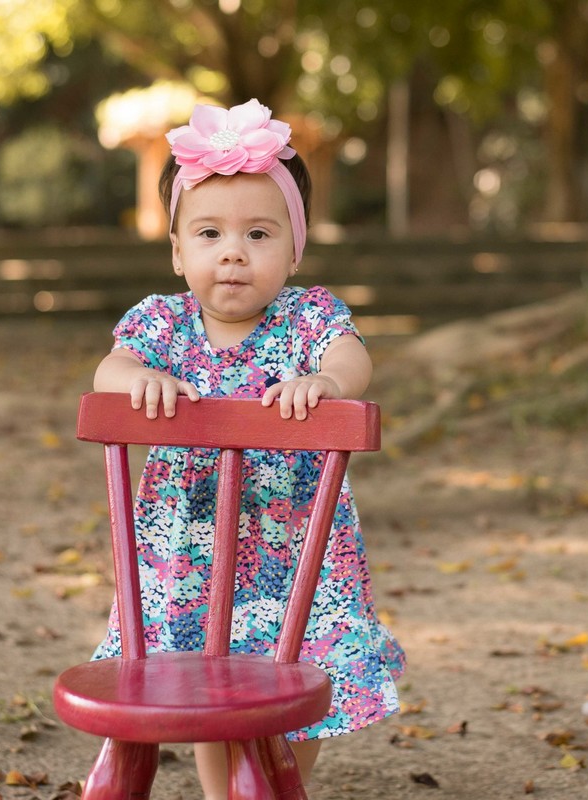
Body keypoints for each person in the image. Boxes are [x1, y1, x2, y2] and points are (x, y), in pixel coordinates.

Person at [91, 98, 404, 798]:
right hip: (190, 547)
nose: (233, 251)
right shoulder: (163, 326)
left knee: (297, 680)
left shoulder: (307, 319)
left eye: (259, 234)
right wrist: (140, 379)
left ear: (295, 247)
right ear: (178, 252)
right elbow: (108, 372)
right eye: (209, 233)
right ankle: (220, 793)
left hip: (294, 552)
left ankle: (280, 780)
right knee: (210, 677)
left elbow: (352, 357)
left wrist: (324, 382)